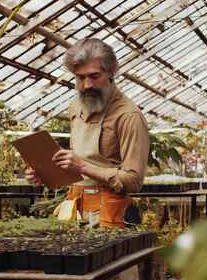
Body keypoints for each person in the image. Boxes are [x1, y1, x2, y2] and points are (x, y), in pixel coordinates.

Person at [26, 38, 150, 228]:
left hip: (112, 214)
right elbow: (77, 166)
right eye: (80, 77)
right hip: (75, 207)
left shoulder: (128, 116)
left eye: (94, 76)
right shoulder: (76, 106)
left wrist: (82, 166)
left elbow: (134, 181)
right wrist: (46, 174)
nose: (87, 85)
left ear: (111, 72)